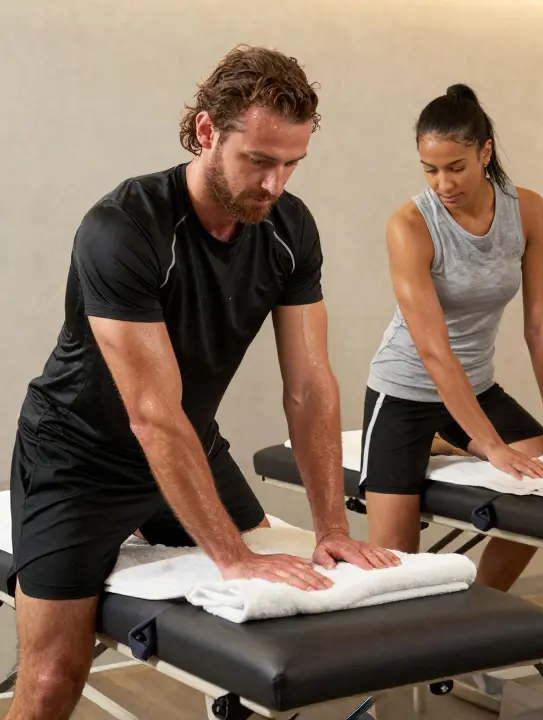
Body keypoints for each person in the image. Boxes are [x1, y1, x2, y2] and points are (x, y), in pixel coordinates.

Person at [5, 45, 400, 720]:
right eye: (259, 161)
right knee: (49, 681)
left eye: (291, 165)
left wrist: (332, 524)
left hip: (190, 446)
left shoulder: (288, 230)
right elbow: (151, 413)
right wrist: (232, 557)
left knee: (283, 614)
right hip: (78, 459)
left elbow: (309, 386)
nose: (274, 185)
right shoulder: (125, 228)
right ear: (207, 131)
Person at [360, 84, 543, 591]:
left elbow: (541, 325)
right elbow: (433, 349)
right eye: (430, 169)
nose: (442, 183)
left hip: (475, 388)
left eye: (456, 166)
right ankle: (446, 438)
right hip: (405, 391)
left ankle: (476, 610)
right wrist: (491, 447)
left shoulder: (527, 211)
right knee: (395, 574)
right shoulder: (410, 224)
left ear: (485, 152)